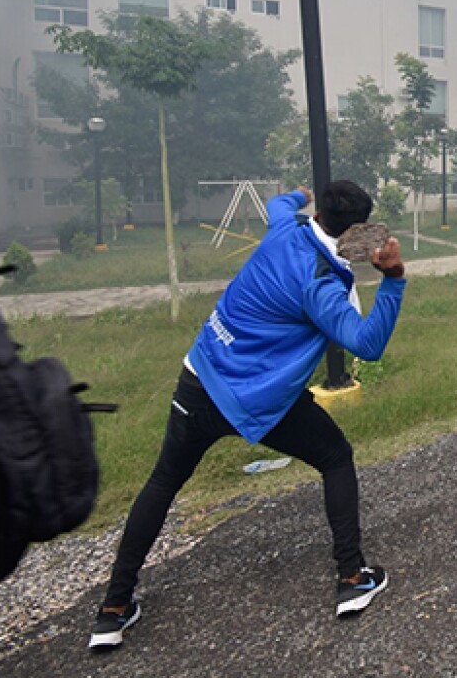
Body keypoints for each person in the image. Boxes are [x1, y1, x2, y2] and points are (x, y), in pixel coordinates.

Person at [88, 182, 407, 651]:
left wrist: (297, 194)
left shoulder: (285, 228)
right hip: (256, 397)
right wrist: (394, 278)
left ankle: (113, 610)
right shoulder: (320, 282)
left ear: (318, 211)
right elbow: (367, 344)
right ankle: (352, 577)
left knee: (162, 482)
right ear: (358, 232)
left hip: (200, 377)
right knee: (336, 457)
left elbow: (278, 205)